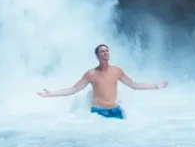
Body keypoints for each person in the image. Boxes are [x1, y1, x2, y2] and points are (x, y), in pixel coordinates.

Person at [37, 44, 168, 119]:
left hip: (116, 111)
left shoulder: (117, 71)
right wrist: (51, 94)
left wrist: (156, 86)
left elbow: (134, 85)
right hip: (98, 114)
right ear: (97, 56)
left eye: (107, 51)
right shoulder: (91, 74)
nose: (105, 53)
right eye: (102, 52)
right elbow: (74, 89)